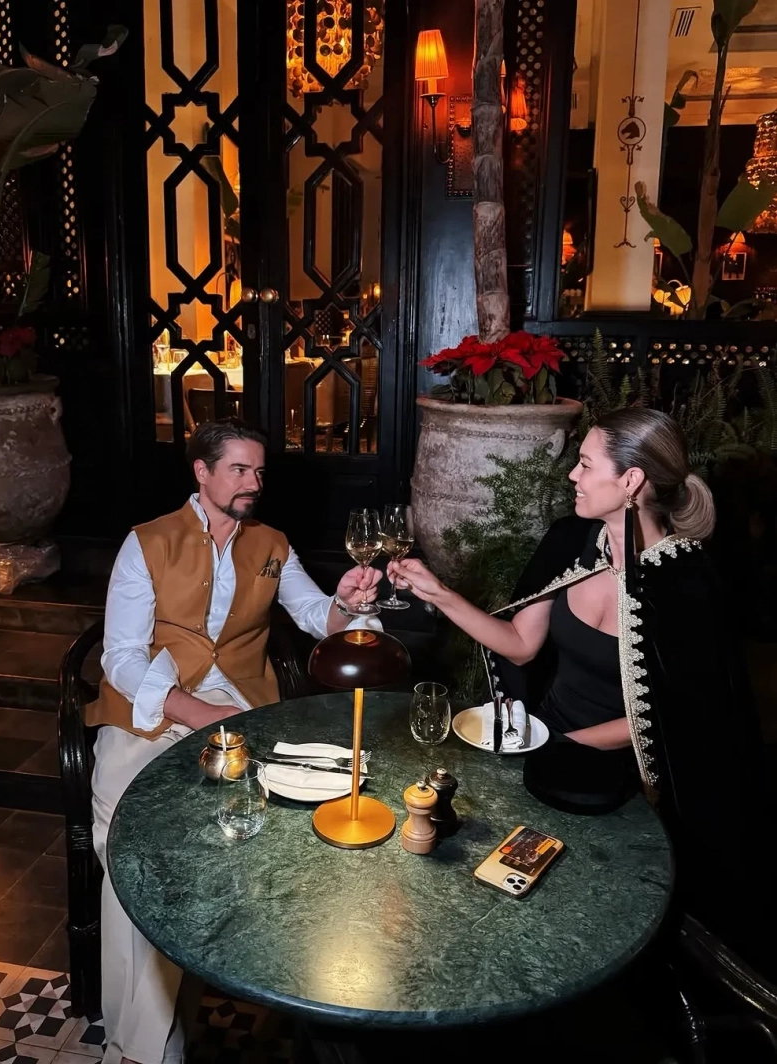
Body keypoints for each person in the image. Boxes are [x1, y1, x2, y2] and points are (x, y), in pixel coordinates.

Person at [390, 407, 775, 972]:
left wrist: (563, 746)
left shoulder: (684, 581)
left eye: (587, 464)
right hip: (544, 746)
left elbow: (679, 715)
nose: (573, 474)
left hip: (624, 778)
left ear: (631, 481)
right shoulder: (572, 541)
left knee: (566, 922)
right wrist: (439, 593)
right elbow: (520, 645)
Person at [87, 419, 380, 1064]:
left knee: (253, 842)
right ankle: (146, 1044)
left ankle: (217, 997)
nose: (254, 483)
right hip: (150, 707)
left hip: (241, 710)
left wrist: (345, 601)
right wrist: (193, 711)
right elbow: (122, 655)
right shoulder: (147, 542)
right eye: (239, 470)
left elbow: (316, 616)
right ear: (202, 471)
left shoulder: (271, 543)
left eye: (259, 472)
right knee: (133, 853)